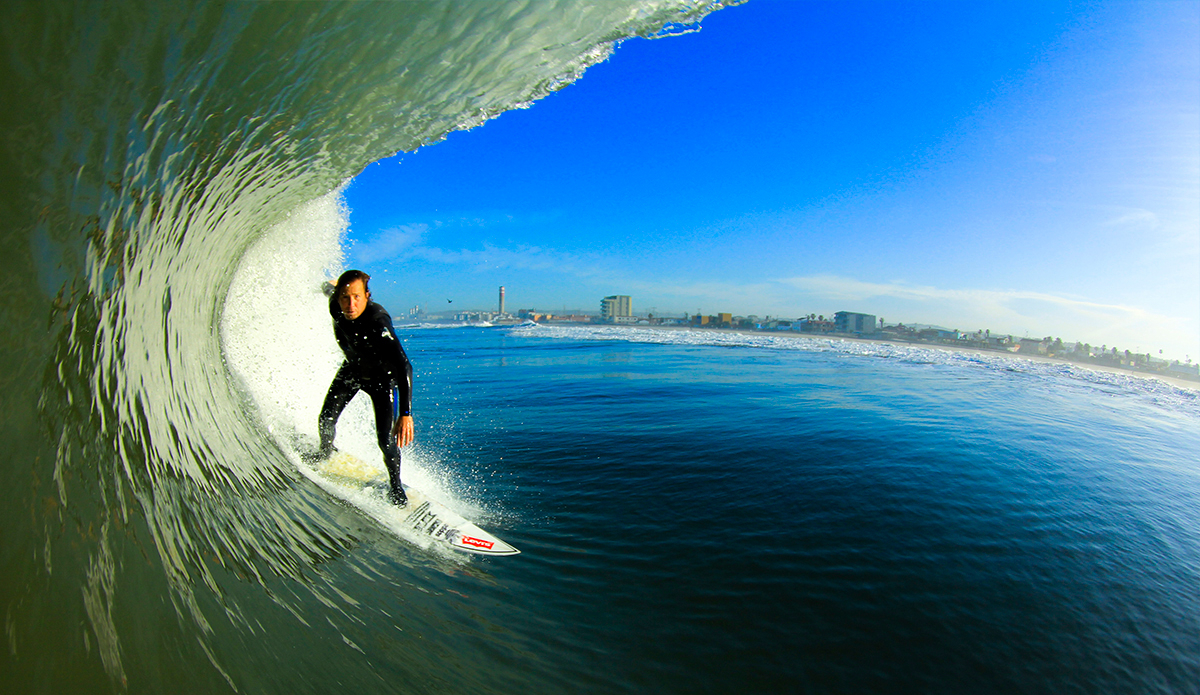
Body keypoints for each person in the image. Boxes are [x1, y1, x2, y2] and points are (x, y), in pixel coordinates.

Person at [313, 269, 413, 506]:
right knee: (326, 419)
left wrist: (406, 414)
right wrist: (332, 284)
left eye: (357, 297)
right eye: (345, 297)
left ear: (367, 296)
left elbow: (404, 366)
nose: (351, 304)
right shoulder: (335, 304)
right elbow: (329, 289)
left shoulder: (378, 322)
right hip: (353, 370)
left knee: (385, 441)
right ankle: (325, 453)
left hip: (382, 381)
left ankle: (396, 486)